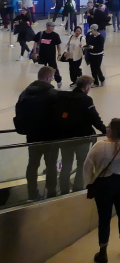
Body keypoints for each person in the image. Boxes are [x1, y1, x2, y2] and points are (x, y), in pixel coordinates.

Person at [83, 118, 120, 263]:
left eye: (109, 127)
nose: (106, 129)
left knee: (104, 218)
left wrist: (89, 183)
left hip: (103, 184)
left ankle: (103, 252)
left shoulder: (99, 146)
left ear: (114, 130)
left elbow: (87, 166)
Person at [15, 66, 58, 199]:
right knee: (51, 165)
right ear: (48, 78)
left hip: (32, 135)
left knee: (33, 164)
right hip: (49, 137)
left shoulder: (25, 92)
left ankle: (32, 192)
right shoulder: (53, 94)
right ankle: (51, 192)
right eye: (52, 77)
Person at [32, 21, 63, 89]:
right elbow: (35, 43)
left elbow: (58, 45)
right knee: (41, 70)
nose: (53, 28)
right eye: (51, 26)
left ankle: (58, 80)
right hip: (42, 55)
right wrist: (35, 52)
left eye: (53, 26)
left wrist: (59, 54)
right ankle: (41, 82)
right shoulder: (40, 34)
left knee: (54, 69)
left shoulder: (55, 35)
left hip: (51, 56)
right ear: (47, 26)